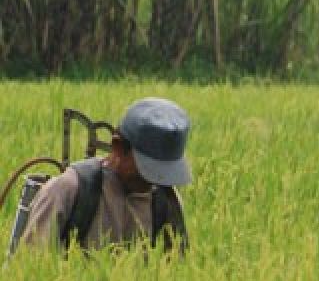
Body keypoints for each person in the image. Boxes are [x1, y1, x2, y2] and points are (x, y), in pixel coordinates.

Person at [20, 97, 192, 253]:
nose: (154, 180)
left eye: (164, 172)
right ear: (117, 147)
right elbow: (33, 270)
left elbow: (178, 272)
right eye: (148, 169)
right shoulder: (66, 191)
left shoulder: (165, 199)